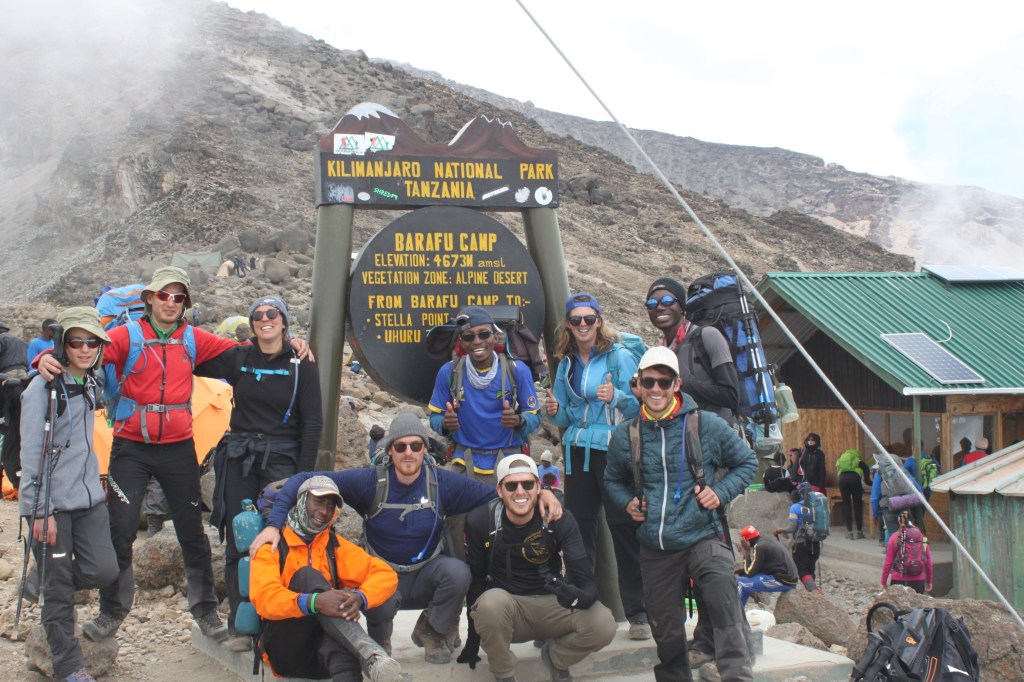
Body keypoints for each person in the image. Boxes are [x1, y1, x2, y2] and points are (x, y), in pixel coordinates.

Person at [35, 266, 309, 643]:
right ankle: (112, 611)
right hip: (131, 448)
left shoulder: (194, 339)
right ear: (150, 299)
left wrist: (291, 343)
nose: (170, 302)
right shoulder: (127, 335)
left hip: (179, 448)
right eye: (164, 295)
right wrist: (44, 360)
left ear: (185, 304)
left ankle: (206, 611)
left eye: (178, 297)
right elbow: (85, 350)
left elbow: (247, 352)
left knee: (192, 533)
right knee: (121, 530)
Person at [250, 413, 563, 665]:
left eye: (416, 446)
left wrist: (541, 493)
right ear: (389, 450)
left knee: (459, 573)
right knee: (377, 589)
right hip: (385, 575)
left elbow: (495, 497)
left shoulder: (443, 483)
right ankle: (380, 636)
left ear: (425, 448)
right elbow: (305, 480)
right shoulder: (369, 482)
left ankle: (434, 630)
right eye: (401, 447)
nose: (409, 453)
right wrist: (274, 525)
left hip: (428, 571)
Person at [605, 346, 757, 682]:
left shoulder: (707, 425)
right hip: (655, 545)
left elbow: (747, 461)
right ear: (638, 385)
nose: (656, 389)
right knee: (665, 626)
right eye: (650, 381)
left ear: (677, 384)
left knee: (721, 592)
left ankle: (738, 675)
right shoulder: (625, 435)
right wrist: (627, 502)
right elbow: (612, 479)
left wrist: (720, 492)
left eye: (664, 381)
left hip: (702, 532)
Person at [195, 295, 323, 652]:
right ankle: (241, 622)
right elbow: (193, 358)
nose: (265, 319)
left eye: (272, 314)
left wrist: (304, 476)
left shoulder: (302, 362)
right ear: (252, 324)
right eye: (258, 315)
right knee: (241, 535)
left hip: (282, 458)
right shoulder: (239, 356)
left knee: (281, 536)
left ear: (284, 320)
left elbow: (313, 421)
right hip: (240, 457)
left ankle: (276, 619)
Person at [18, 308, 119, 682]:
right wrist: (38, 510)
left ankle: (42, 578)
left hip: (88, 498)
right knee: (59, 590)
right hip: (50, 505)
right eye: (76, 341)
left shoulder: (91, 384)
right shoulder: (40, 390)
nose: (85, 348)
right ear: (62, 343)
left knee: (104, 569)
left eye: (92, 341)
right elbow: (31, 457)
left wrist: (98, 485)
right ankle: (69, 666)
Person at [545, 292, 648, 639]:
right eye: (576, 320)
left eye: (590, 319)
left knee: (622, 525)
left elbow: (640, 406)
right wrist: (553, 410)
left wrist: (616, 396)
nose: (584, 325)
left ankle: (639, 614)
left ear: (600, 322)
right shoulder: (568, 363)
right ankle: (581, 605)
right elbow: (566, 413)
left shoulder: (618, 358)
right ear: (568, 325)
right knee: (578, 527)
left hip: (612, 449)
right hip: (577, 449)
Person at [461, 454, 617, 682]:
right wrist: (472, 642)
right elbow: (475, 582)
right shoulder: (480, 521)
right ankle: (504, 674)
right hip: (508, 610)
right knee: (489, 603)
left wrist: (580, 598)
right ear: (499, 490)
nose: (520, 492)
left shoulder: (559, 518)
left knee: (604, 623)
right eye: (512, 485)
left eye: (528, 484)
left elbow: (587, 581)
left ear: (538, 487)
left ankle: (556, 658)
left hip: (554, 603)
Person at [250, 475, 401, 682]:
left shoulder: (333, 545)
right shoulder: (273, 546)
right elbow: (265, 599)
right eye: (318, 502)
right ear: (301, 500)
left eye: (330, 506)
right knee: (307, 577)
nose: (324, 511)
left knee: (343, 652)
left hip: (322, 649)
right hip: (285, 649)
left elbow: (385, 574)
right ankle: (372, 656)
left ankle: (372, 661)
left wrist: (359, 598)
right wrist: (314, 602)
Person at [428, 305, 541, 560]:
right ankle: (462, 576)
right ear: (462, 342)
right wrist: (445, 424)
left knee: (515, 525)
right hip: (464, 462)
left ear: (495, 336)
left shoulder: (516, 371)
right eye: (469, 337)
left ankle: (511, 576)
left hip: (506, 463)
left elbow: (536, 418)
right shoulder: (450, 372)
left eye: (484, 334)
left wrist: (519, 421)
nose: (477, 341)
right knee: (453, 524)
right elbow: (434, 417)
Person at [644, 278, 741, 424]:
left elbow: (731, 396)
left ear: (682, 307)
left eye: (668, 300)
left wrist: (684, 383)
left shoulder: (708, 336)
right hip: (685, 437)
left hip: (716, 436)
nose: (660, 307)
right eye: (652, 304)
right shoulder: (664, 351)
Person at [774, 489, 825, 594]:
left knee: (802, 570)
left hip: (801, 544)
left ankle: (814, 591)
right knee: (810, 569)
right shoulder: (814, 506)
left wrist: (781, 530)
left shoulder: (795, 507)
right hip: (815, 543)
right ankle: (812, 593)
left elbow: (792, 527)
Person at [736, 525, 798, 607]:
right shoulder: (766, 541)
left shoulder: (760, 547)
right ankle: (740, 613)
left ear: (746, 540)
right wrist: (742, 571)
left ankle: (735, 614)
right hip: (789, 578)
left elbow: (750, 573)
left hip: (783, 581)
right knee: (744, 579)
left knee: (740, 582)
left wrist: (747, 551)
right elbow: (757, 568)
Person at [880, 512, 933, 594]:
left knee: (898, 606)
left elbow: (888, 562)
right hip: (918, 580)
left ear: (898, 522)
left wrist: (883, 582)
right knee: (917, 606)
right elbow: (928, 563)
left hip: (898, 579)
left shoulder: (895, 538)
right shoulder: (922, 538)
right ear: (912, 521)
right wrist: (929, 581)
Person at [835, 448, 869, 539]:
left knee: (847, 505)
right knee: (857, 505)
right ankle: (859, 532)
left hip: (842, 480)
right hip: (855, 480)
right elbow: (868, 481)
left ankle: (849, 533)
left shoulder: (843, 463)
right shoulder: (860, 462)